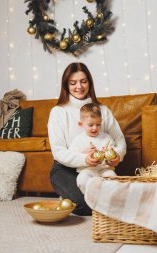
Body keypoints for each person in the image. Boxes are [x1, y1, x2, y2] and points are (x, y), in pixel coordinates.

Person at [48, 62, 126, 216]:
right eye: (73, 83)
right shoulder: (58, 112)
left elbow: (120, 141)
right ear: (66, 85)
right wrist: (85, 159)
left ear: (89, 83)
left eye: (83, 81)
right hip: (65, 169)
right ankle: (69, 192)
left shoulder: (103, 110)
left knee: (115, 196)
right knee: (87, 205)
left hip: (99, 168)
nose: (79, 87)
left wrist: (117, 155)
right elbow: (58, 151)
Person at [70, 103, 118, 194]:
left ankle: (108, 201)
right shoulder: (79, 139)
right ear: (81, 124)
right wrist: (85, 152)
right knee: (82, 179)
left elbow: (113, 152)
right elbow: (73, 154)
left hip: (105, 170)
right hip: (87, 170)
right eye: (91, 125)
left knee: (113, 180)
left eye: (98, 124)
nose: (95, 128)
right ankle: (92, 199)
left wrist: (108, 152)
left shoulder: (106, 138)